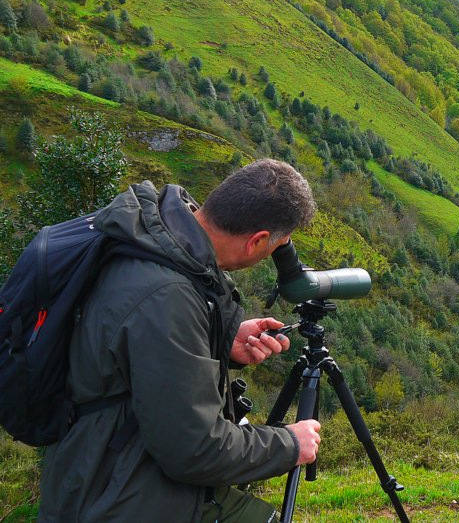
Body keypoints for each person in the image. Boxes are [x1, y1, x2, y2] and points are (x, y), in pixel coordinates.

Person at [38, 159, 322, 522]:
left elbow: (136, 350)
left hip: (100, 462)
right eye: (278, 246)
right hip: (115, 494)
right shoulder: (167, 296)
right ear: (258, 241)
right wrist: (290, 444)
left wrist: (222, 340)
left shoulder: (159, 237)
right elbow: (196, 450)